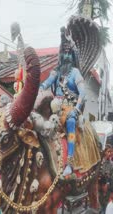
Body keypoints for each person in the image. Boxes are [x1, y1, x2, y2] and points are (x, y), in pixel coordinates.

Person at [39, 29, 86, 177]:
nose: (66, 56)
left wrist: (77, 109)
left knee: (71, 122)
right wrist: (38, 89)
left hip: (70, 108)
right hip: (54, 108)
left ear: (72, 56)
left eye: (69, 53)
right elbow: (47, 83)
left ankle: (70, 163)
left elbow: (83, 93)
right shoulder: (57, 71)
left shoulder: (76, 73)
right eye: (64, 53)